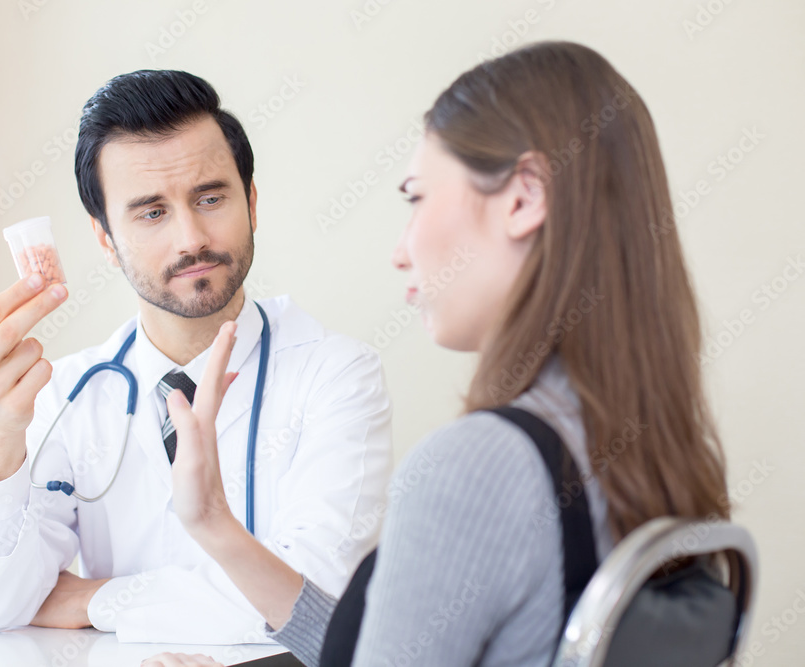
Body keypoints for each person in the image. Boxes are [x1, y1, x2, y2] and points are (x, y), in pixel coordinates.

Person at [146, 41, 731, 666]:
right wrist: (213, 523)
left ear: (525, 196)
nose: (402, 250)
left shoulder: (479, 464)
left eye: (416, 197)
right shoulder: (650, 443)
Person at [0, 70, 394, 642]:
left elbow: (319, 604)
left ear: (250, 201)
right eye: (151, 212)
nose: (190, 238)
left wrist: (94, 599)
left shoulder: (336, 374)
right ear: (105, 238)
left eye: (211, 197)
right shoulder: (67, 392)